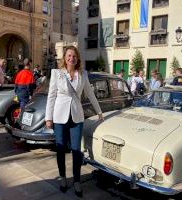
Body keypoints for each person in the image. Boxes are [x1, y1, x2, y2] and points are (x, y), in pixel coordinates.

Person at [45, 46, 103, 197]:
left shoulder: (83, 74)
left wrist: (99, 112)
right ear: (64, 58)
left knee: (76, 150)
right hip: (59, 117)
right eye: (69, 56)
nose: (72, 58)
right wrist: (48, 117)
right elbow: (51, 96)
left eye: (74, 56)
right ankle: (63, 178)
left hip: (77, 117)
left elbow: (90, 94)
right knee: (61, 148)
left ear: (78, 59)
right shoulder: (56, 73)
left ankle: (77, 181)